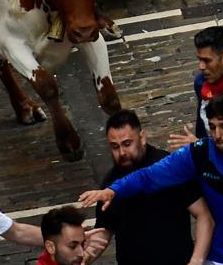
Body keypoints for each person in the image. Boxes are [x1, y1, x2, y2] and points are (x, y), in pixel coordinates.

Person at [79, 92, 223, 265]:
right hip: (217, 257)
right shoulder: (198, 154)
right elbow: (149, 175)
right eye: (213, 127)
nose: (217, 135)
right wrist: (114, 190)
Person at [91, 110, 213, 265]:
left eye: (127, 144)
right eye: (115, 147)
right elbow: (104, 230)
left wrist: (197, 260)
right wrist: (85, 251)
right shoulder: (109, 184)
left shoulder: (170, 167)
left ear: (142, 137)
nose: (121, 153)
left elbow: (204, 216)